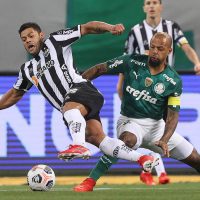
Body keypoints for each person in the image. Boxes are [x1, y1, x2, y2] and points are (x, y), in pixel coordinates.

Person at [0, 21, 159, 173]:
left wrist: (110, 27)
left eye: (31, 36)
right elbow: (15, 94)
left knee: (68, 108)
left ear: (40, 35)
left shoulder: (55, 41)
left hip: (82, 90)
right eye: (24, 39)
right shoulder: (27, 70)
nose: (28, 40)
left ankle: (78, 144)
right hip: (75, 108)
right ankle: (143, 158)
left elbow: (86, 27)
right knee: (99, 140)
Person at [73, 32, 200, 192]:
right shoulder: (131, 61)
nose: (154, 51)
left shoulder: (174, 81)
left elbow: (173, 116)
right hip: (130, 121)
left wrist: (165, 139)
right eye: (152, 47)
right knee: (127, 141)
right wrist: (77, 88)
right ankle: (90, 181)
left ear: (169, 51)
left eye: (160, 48)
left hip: (157, 128)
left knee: (196, 159)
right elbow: (100, 68)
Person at [117, 0, 200, 185]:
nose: (152, 6)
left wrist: (197, 61)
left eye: (155, 2)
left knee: (155, 128)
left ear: (161, 6)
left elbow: (185, 46)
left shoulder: (172, 27)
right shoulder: (135, 32)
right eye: (148, 3)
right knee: (147, 127)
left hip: (164, 87)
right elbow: (125, 60)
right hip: (139, 86)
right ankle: (157, 171)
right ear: (144, 7)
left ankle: (152, 170)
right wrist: (120, 84)